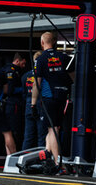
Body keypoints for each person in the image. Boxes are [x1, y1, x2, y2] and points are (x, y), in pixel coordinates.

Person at [31, 32, 74, 171]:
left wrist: (33, 103)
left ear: (42, 42)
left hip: (49, 97)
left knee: (53, 129)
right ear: (55, 42)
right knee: (55, 128)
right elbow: (73, 77)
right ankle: (48, 154)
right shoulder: (64, 57)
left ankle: (57, 162)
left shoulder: (41, 59)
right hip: (62, 96)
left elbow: (36, 83)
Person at [21, 51, 47, 150]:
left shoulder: (25, 76)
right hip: (40, 103)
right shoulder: (43, 76)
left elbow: (23, 92)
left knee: (28, 136)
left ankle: (23, 158)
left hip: (28, 103)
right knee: (42, 135)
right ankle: (42, 159)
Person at [3, 52, 26, 151]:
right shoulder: (12, 71)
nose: (24, 66)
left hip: (8, 103)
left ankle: (9, 155)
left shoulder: (6, 69)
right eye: (23, 63)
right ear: (17, 61)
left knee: (9, 131)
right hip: (13, 104)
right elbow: (10, 90)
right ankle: (13, 154)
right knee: (13, 130)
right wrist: (24, 89)